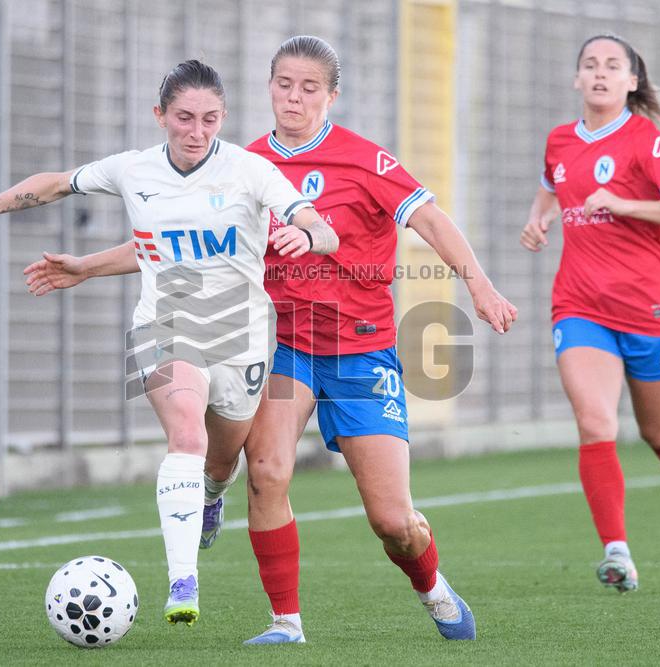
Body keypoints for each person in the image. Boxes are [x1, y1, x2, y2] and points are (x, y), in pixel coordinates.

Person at [0, 60, 338, 627]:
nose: (197, 132)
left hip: (242, 337)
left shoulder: (251, 171)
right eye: (184, 118)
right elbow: (52, 184)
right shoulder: (134, 170)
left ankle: (212, 496)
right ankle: (182, 580)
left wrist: (308, 234)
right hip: (164, 325)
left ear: (223, 118)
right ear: (160, 116)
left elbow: (322, 225)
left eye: (210, 119)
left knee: (220, 462)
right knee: (186, 431)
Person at [195, 36, 516, 644]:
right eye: (284, 84)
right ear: (268, 87)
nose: (294, 97)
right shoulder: (245, 166)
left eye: (309, 87)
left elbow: (430, 220)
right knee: (266, 471)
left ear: (331, 95)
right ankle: (285, 622)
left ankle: (433, 588)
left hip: (362, 350)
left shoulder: (365, 161)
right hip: (286, 343)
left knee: (393, 521)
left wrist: (479, 286)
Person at [519, 34, 660, 593]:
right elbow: (551, 186)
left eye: (612, 66)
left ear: (632, 81)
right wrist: (540, 219)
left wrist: (624, 203)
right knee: (596, 422)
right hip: (579, 306)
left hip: (649, 310)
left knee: (657, 430)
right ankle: (617, 552)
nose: (599, 74)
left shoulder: (648, 144)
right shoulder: (559, 140)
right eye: (589, 65)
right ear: (577, 78)